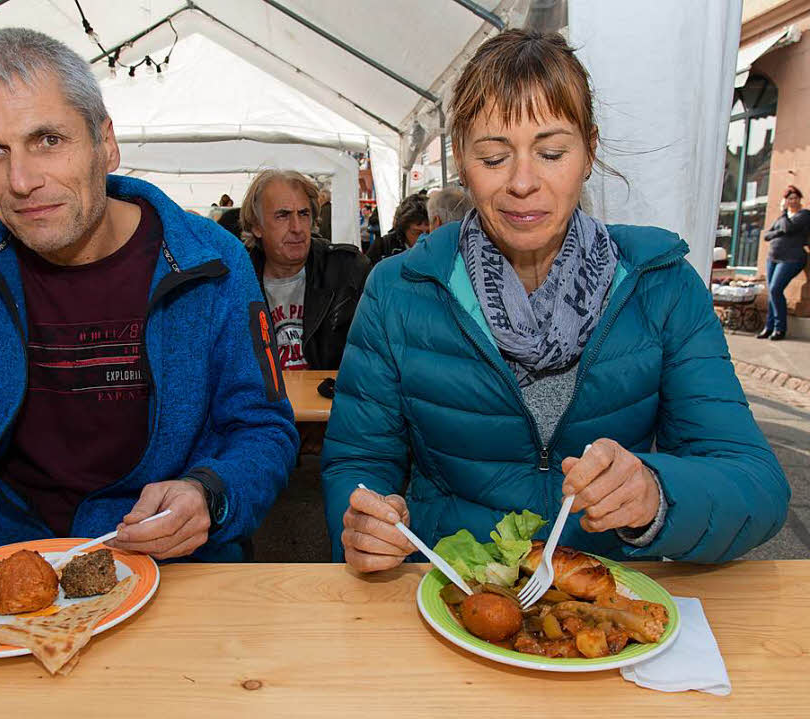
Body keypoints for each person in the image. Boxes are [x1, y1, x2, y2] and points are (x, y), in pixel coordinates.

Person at [0, 28, 299, 583]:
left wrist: (210, 493)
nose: (21, 181)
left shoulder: (212, 261)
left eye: (47, 140)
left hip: (182, 572)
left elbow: (263, 430)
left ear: (105, 142)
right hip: (20, 565)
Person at [322, 29, 789, 573]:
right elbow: (358, 463)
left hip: (603, 597)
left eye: (550, 152)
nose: (523, 182)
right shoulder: (399, 290)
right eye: (494, 158)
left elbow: (754, 482)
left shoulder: (661, 287)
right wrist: (362, 526)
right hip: (451, 591)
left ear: (589, 151)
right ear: (461, 160)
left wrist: (657, 495)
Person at [240, 169, 370, 371]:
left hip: (328, 400)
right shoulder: (235, 280)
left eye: (303, 214)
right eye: (282, 216)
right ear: (257, 226)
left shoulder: (348, 271)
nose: (297, 227)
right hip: (260, 401)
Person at [759, 184, 809, 340]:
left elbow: (788, 229)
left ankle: (780, 329)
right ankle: (769, 327)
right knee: (772, 293)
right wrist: (779, 230)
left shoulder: (804, 215)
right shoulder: (784, 217)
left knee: (775, 289)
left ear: (800, 199)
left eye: (795, 198)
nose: (792, 201)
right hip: (773, 258)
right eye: (789, 198)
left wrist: (783, 214)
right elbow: (767, 236)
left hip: (792, 258)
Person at [365, 191, 429, 264]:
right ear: (403, 229)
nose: (424, 238)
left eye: (429, 232)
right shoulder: (383, 246)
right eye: (417, 233)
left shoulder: (439, 250)